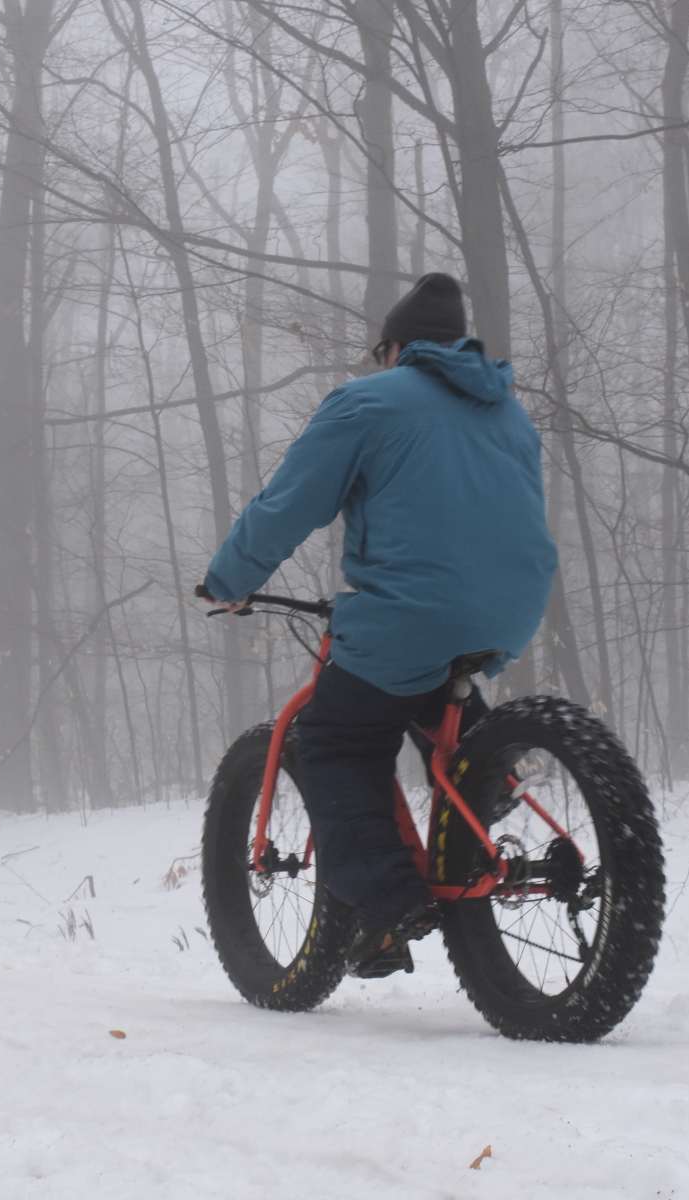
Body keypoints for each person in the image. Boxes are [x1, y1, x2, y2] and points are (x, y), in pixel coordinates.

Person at [202, 274, 557, 978]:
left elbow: (288, 505)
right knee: (422, 682)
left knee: (334, 740)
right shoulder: (510, 414)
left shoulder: (368, 400)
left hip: (413, 610)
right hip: (512, 607)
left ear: (396, 349)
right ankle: (492, 776)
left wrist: (230, 581)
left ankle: (391, 901)